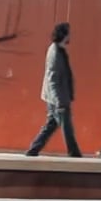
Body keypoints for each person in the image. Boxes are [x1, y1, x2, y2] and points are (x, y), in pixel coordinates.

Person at [25, 21, 81, 157]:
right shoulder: (55, 53)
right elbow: (53, 79)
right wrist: (59, 100)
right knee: (67, 128)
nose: (70, 36)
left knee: (51, 125)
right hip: (58, 98)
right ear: (64, 35)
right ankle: (74, 155)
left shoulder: (60, 50)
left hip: (59, 96)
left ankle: (32, 150)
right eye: (68, 33)